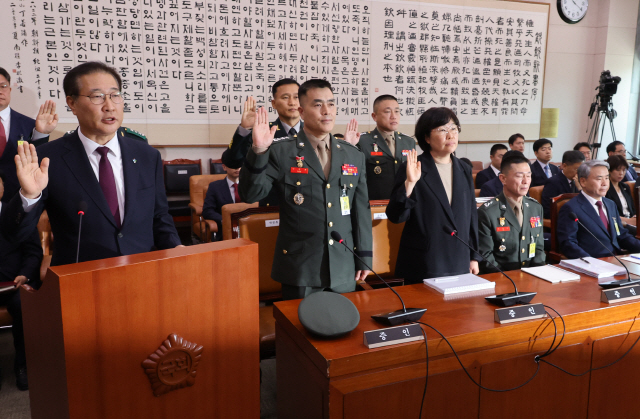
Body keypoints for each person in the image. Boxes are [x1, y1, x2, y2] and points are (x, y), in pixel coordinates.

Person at [2, 61, 181, 266]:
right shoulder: (48, 159)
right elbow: (13, 235)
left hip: (142, 274)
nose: (109, 105)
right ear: (72, 103)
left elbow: (160, 217)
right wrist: (29, 196)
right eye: (97, 97)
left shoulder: (147, 155)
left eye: (115, 95)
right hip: (81, 281)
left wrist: (176, 248)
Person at [239, 79, 372, 300]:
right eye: (318, 105)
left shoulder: (353, 154)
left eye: (331, 103)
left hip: (343, 265)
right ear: (301, 111)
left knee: (345, 329)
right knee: (300, 331)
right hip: (300, 267)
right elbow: (251, 195)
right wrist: (259, 150)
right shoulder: (282, 151)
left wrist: (364, 255)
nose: (326, 111)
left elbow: (361, 209)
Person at [386, 107, 480, 283]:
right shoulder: (413, 167)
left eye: (453, 128)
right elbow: (396, 216)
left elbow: (471, 217)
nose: (451, 135)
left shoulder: (464, 169)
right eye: (443, 130)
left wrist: (474, 255)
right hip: (425, 262)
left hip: (459, 259)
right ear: (427, 138)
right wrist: (410, 184)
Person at [0, 170, 43, 391]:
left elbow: (34, 252)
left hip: (15, 282)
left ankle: (22, 366)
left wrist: (25, 274)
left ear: (2, 187)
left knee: (22, 305)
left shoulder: (17, 212)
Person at [477, 152, 545, 273]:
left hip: (532, 275)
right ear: (503, 178)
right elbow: (486, 256)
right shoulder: (488, 212)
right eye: (519, 176)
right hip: (502, 277)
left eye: (528, 176)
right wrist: (509, 278)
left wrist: (538, 273)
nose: (525, 181)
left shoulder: (535, 208)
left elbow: (539, 248)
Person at [557, 160, 640, 258]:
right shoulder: (571, 208)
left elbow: (621, 235)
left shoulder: (610, 204)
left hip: (616, 260)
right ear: (583, 181)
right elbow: (568, 243)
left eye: (607, 178)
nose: (605, 183)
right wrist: (591, 262)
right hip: (593, 263)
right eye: (599, 179)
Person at [0, 67, 58, 203]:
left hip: (20, 200)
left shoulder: (30, 125)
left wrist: (41, 133)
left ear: (9, 89)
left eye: (3, 86)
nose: (0, 91)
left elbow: (39, 160)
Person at [226, 78, 302, 170]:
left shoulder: (313, 131)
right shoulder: (262, 131)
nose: (292, 103)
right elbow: (232, 162)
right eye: (285, 97)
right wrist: (245, 129)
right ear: (274, 104)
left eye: (296, 97)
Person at [356, 95, 415, 200]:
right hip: (375, 206)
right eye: (388, 112)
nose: (394, 116)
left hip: (403, 205)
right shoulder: (363, 141)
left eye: (397, 111)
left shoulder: (408, 142)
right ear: (374, 116)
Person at [202, 149, 242, 241]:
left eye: (240, 164)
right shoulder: (215, 187)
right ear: (224, 167)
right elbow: (207, 211)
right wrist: (224, 220)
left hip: (247, 227)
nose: (237, 168)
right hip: (224, 230)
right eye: (233, 164)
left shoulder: (250, 186)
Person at [540, 150, 584, 219]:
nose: (580, 173)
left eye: (582, 170)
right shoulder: (553, 182)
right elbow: (548, 210)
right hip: (564, 220)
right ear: (564, 166)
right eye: (577, 169)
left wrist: (580, 188)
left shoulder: (580, 181)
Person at [605, 155, 636, 235]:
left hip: (631, 222)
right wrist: (628, 221)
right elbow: (608, 214)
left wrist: (635, 218)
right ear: (609, 170)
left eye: (624, 170)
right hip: (619, 224)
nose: (621, 173)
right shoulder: (605, 188)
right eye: (618, 170)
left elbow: (632, 208)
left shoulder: (625, 186)